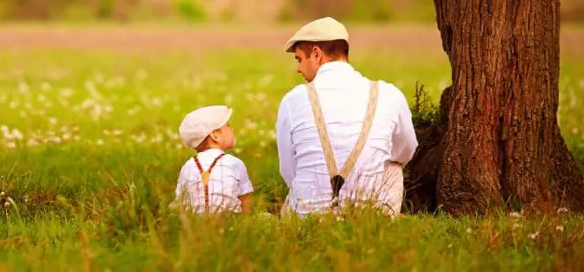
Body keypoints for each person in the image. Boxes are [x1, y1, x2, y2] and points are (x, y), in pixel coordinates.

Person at [275, 17, 417, 216]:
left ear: (316, 54)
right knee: (393, 164)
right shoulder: (389, 94)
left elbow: (288, 170)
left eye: (299, 59)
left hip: (308, 217)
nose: (298, 68)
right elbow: (406, 151)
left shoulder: (293, 100)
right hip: (369, 216)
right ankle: (383, 220)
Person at [174, 105, 254, 214]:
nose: (232, 129)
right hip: (230, 221)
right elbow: (246, 202)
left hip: (196, 223)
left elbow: (182, 203)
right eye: (228, 126)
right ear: (215, 136)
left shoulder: (187, 167)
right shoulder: (234, 163)